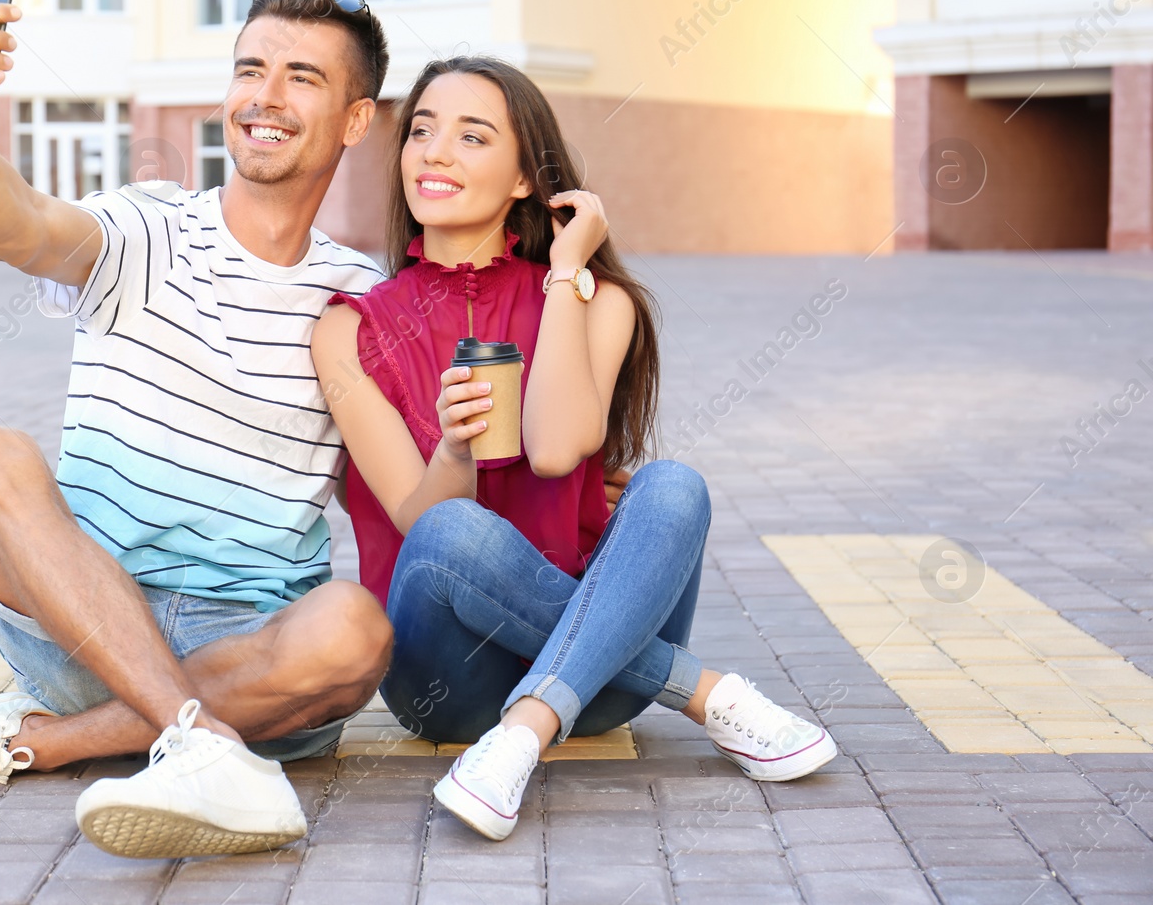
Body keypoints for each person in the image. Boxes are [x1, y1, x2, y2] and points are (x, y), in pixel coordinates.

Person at [0, 0, 396, 859]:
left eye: (301, 77)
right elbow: (19, 226)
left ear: (356, 121)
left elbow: (430, 463)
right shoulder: (147, 227)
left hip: (249, 648)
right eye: (250, 69)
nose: (265, 96)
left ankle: (36, 742)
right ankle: (197, 738)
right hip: (80, 622)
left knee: (356, 626)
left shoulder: (365, 298)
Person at [310, 55, 836, 843]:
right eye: (421, 130)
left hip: (600, 680)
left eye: (472, 135)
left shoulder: (600, 302)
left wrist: (563, 273)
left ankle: (522, 731)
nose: (434, 151)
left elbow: (556, 450)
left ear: (526, 177)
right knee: (457, 531)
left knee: (673, 487)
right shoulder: (349, 329)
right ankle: (703, 690)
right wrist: (455, 448)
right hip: (443, 680)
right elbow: (423, 529)